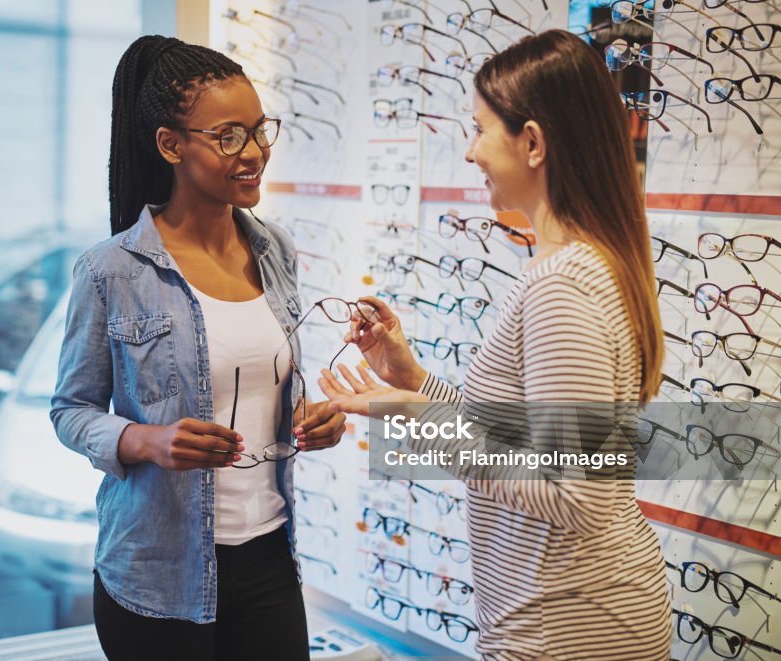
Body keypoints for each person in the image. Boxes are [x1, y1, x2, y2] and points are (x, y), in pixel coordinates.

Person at [318, 30, 672, 660]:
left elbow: (576, 493)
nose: (469, 151)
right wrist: (415, 381)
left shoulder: (564, 285)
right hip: (566, 617)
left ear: (532, 142)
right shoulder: (583, 266)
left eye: (480, 129)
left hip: (570, 630)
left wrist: (415, 419)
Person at [50, 35, 346, 661]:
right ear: (171, 144)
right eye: (230, 136)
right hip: (156, 573)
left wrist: (313, 416)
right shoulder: (111, 271)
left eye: (261, 131)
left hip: (268, 555)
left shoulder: (277, 251)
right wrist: (148, 441)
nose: (255, 153)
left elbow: (263, 378)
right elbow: (70, 411)